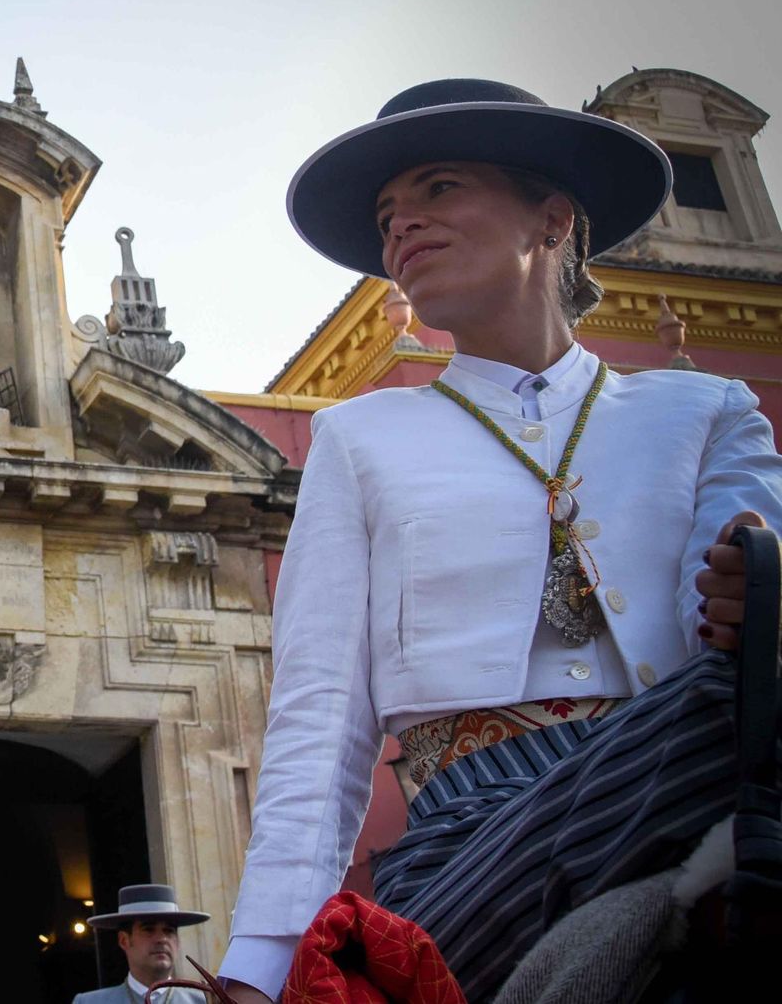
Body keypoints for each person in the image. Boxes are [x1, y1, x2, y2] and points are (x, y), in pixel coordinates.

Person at [217, 80, 782, 1002]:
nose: (401, 227)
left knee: (735, 700)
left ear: (552, 218)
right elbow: (321, 715)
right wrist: (263, 962)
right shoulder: (361, 439)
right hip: (473, 837)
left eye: (437, 189)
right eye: (388, 214)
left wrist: (750, 595)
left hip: (678, 758)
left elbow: (736, 616)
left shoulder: (704, 410)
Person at [75, 884, 210, 1003]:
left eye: (169, 931)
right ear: (124, 940)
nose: (162, 939)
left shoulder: (203, 1002)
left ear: (178, 941)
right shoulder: (90, 1002)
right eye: (149, 930)